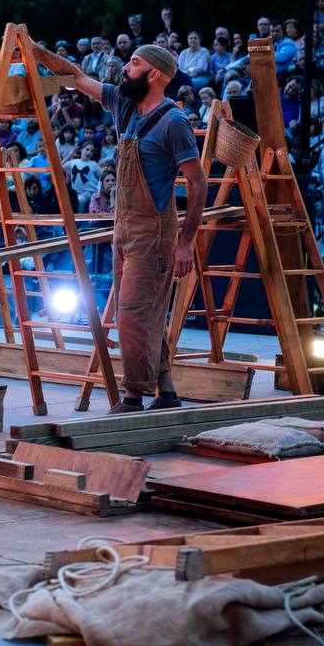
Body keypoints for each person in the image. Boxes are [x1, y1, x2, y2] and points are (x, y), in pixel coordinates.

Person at [31, 40, 205, 413]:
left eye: (134, 62)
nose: (125, 67)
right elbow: (75, 76)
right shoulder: (124, 103)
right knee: (145, 311)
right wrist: (34, 49)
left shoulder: (174, 122)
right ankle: (166, 393)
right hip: (123, 228)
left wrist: (185, 243)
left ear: (154, 74)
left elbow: (198, 183)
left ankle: (133, 397)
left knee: (132, 313)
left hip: (153, 234)